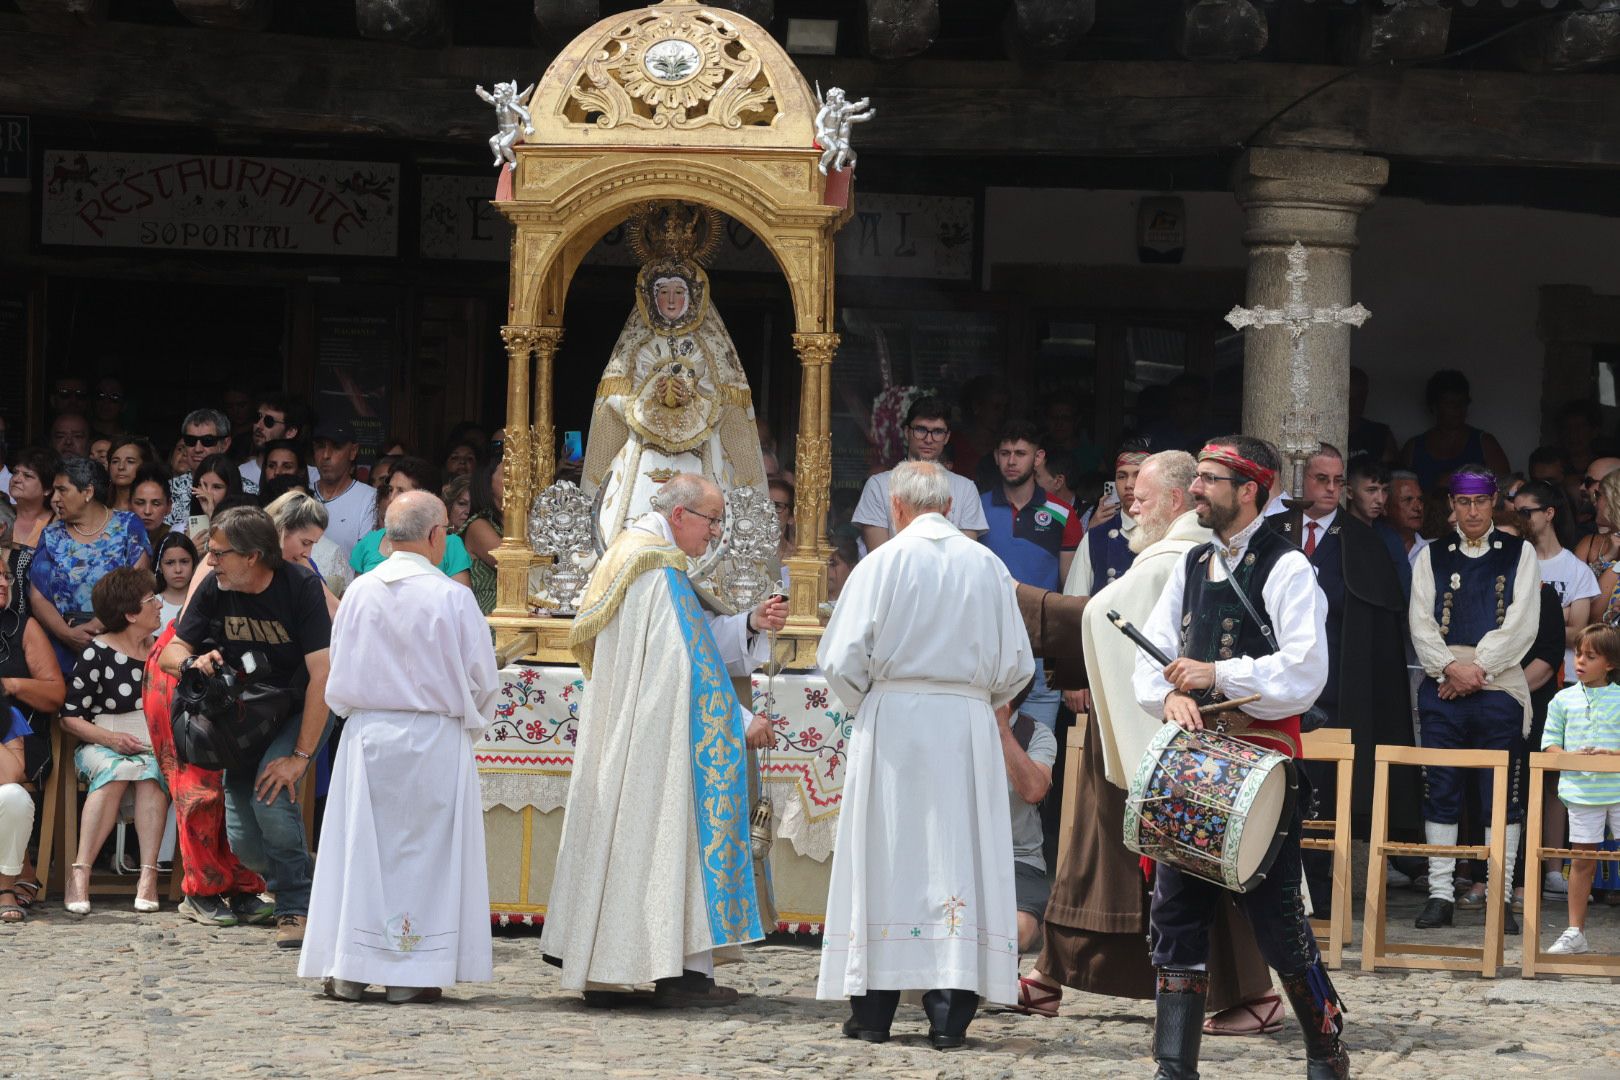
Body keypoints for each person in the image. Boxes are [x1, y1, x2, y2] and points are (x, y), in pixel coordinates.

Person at [1019, 450, 1277, 1034]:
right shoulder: (1176, 551)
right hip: (1143, 731)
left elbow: (1103, 618)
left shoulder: (1178, 554)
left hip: (1170, 744)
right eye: (1128, 490)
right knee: (1102, 864)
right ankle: (1047, 976)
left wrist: (1024, 602)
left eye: (1143, 492)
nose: (1130, 501)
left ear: (1182, 498)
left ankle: (1258, 995)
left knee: (1192, 867)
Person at [1132, 436, 1349, 1080]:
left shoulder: (1288, 568)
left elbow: (1306, 671)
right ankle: (1175, 1070)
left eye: (1208, 479)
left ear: (1248, 488)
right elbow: (1154, 660)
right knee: (1176, 916)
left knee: (1278, 921)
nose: (1195, 489)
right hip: (1197, 765)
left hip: (1261, 770)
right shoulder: (1192, 563)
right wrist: (1168, 696)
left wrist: (1216, 673)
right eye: (1195, 476)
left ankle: (1326, 1051)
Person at [541, 474, 785, 1007]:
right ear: (680, 516)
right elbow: (688, 667)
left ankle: (608, 962)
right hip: (661, 736)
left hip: (637, 731)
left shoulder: (633, 556)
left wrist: (748, 622)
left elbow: (685, 636)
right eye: (711, 520)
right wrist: (742, 723)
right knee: (667, 837)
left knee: (633, 839)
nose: (716, 533)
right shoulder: (657, 567)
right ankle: (678, 973)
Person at [817, 461, 1033, 1049]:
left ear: (897, 507)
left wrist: (875, 698)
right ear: (949, 506)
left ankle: (873, 1013)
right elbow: (1018, 663)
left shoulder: (880, 563)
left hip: (893, 722)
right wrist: (975, 697)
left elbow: (839, 657)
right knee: (957, 856)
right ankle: (950, 1012)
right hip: (964, 723)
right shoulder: (987, 565)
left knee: (887, 856)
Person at [300, 491, 499, 1004]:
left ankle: (350, 965)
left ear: (388, 536)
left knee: (360, 851)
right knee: (425, 857)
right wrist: (462, 723)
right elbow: (482, 679)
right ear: (438, 537)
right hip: (433, 736)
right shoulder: (453, 598)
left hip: (369, 734)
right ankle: (411, 974)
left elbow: (337, 668)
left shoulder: (362, 591)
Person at [159, 506, 335, 948]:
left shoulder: (301, 587)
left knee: (272, 798)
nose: (210, 561)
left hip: (300, 706)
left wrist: (298, 757)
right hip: (241, 717)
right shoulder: (216, 588)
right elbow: (171, 649)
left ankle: (296, 905)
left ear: (253, 556)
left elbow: (323, 675)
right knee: (247, 846)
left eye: (219, 553)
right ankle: (321, 884)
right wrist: (191, 662)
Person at [579, 210, 768, 547]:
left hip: (698, 455)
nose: (670, 300)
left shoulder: (711, 345)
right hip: (644, 453)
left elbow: (730, 403)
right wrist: (651, 395)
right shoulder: (635, 343)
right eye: (663, 292)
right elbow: (612, 401)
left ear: (692, 297)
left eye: (677, 293)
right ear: (650, 297)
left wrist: (693, 398)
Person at [1409, 466, 1541, 934]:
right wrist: (1450, 669)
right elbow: (1420, 622)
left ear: (1493, 503)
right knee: (1440, 787)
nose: (1472, 511)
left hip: (1497, 684)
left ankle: (1499, 896)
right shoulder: (1432, 555)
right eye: (1463, 502)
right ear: (1452, 505)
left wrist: (1474, 670)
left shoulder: (1520, 553)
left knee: (1500, 793)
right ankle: (1441, 894)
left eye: (1480, 502)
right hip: (1444, 682)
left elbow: (1524, 623)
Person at [1271, 445, 1413, 862]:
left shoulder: (1366, 543)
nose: (1331, 489)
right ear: (1302, 481)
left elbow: (1379, 633)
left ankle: (1320, 885)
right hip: (1274, 690)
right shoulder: (1274, 531)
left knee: (1326, 796)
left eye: (1337, 481)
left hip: (1336, 693)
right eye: (1321, 480)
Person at [59, 567, 168, 915]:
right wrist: (111, 739)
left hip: (149, 743)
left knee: (151, 774)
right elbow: (69, 716)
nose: (160, 605)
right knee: (116, 770)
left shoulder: (163, 650)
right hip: (100, 741)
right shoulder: (98, 653)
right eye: (152, 600)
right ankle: (80, 873)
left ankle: (147, 875)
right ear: (131, 613)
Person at [979, 420, 1074, 730]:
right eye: (1004, 452)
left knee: (1037, 750)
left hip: (1040, 650)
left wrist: (1068, 662)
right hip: (986, 645)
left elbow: (1070, 591)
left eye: (1020, 453)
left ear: (1038, 457)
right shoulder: (975, 509)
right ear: (995, 456)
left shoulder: (1063, 513)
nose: (1011, 461)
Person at [29, 456, 152, 672]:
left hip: (118, 642)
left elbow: (137, 587)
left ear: (88, 492)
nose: (54, 499)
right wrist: (67, 634)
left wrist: (94, 628)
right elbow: (37, 596)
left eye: (62, 490)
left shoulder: (127, 526)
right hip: (62, 644)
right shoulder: (51, 535)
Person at [1541, 623, 1620, 955]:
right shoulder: (1562, 699)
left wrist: (1613, 755)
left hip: (1618, 789)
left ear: (1610, 663)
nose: (1580, 661)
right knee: (1582, 859)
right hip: (1581, 792)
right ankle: (1575, 931)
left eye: (1591, 656)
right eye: (1578, 654)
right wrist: (1570, 756)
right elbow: (1548, 747)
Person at [0, 569, 68, 923]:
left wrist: (10, 684)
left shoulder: (23, 627)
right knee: (7, 794)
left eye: (3, 576)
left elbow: (56, 693)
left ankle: (6, 882)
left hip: (21, 735)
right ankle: (21, 867)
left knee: (9, 788)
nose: (1, 583)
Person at [853, 395, 988, 550]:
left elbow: (965, 556)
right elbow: (879, 559)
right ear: (907, 432)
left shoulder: (966, 489)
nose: (928, 439)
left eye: (937, 431)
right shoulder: (878, 485)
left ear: (947, 437)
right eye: (921, 429)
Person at [1512, 481, 1599, 679]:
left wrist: (1529, 618)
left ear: (1549, 514)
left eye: (1525, 513)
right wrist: (1562, 615)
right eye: (1515, 513)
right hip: (1519, 674)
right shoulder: (1513, 563)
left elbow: (1576, 635)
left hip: (1566, 677)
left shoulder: (1578, 570)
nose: (1519, 520)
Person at [350, 458, 472, 585]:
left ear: (427, 498)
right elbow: (358, 597)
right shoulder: (369, 543)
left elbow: (460, 601)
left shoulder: (450, 546)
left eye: (401, 491)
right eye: (391, 490)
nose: (391, 499)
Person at [999, 684, 1056, 954]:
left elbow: (1034, 790)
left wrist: (1001, 730)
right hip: (958, 858)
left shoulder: (1035, 733)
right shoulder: (953, 725)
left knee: (1016, 933)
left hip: (1018, 857)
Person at [1401, 369, 1511, 488]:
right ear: (1434, 406)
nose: (1457, 408)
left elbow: (1505, 488)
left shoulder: (1485, 443)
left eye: (1462, 402)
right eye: (1449, 403)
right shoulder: (1413, 448)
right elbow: (1399, 493)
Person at [1064, 442, 1147, 600]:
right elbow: (1073, 606)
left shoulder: (1169, 533)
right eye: (1121, 476)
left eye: (1138, 475)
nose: (1129, 484)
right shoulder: (1095, 538)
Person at [265, 491, 344, 618]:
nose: (308, 553)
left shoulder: (305, 563)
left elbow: (336, 612)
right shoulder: (250, 561)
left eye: (313, 544)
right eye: (305, 542)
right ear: (281, 530)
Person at [311, 420, 378, 560]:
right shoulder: (302, 493)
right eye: (320, 447)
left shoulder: (369, 499)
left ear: (353, 452)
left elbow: (366, 560)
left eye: (336, 447)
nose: (325, 455)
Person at [5, 448, 59, 621]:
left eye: (28, 476)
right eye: (15, 473)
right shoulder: (2, 516)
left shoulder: (57, 524)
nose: (17, 479)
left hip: (42, 618)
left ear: (47, 489)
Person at [1346, 455, 1412, 592]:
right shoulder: (1335, 533)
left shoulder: (1391, 539)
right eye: (1372, 490)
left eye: (1385, 490)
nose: (1380, 500)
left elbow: (1404, 594)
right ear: (1349, 492)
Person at [165, 409, 233, 530]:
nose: (197, 448)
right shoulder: (167, 491)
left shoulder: (248, 490)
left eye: (207, 441)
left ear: (225, 444)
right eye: (190, 440)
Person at [239, 394, 315, 491]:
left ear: (290, 432)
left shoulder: (314, 478)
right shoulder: (240, 473)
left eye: (269, 421)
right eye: (257, 418)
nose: (258, 426)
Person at [459, 460, 503, 615]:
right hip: (491, 615)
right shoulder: (478, 525)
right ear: (487, 485)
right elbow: (510, 564)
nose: (518, 481)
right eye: (507, 475)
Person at [1347, 366, 1399, 466]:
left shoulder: (1380, 434)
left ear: (1365, 397)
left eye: (1357, 398)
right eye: (1347, 398)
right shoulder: (1320, 433)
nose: (1351, 405)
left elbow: (1391, 475)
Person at [1574, 455, 1620, 568]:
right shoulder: (1587, 539)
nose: (1595, 500)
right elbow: (1576, 583)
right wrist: (1606, 558)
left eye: (1599, 495)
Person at [188, 455, 245, 536]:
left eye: (216, 487)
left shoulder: (245, 525)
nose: (207, 493)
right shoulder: (184, 528)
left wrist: (211, 513)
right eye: (202, 485)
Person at [154, 533, 197, 628]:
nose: (178, 570)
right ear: (159, 567)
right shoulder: (151, 606)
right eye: (170, 563)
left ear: (194, 563)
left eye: (184, 561)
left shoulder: (205, 600)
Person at [129, 465, 173, 551]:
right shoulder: (116, 540)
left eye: (156, 504)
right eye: (140, 503)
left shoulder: (178, 538)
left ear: (169, 506)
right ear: (129, 505)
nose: (147, 511)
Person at [107, 437, 155, 512]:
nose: (121, 467)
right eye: (115, 461)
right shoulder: (99, 506)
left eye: (130, 461)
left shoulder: (152, 510)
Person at [825, 530, 859, 602]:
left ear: (852, 568)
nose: (825, 569)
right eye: (823, 563)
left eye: (832, 563)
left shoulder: (860, 603)